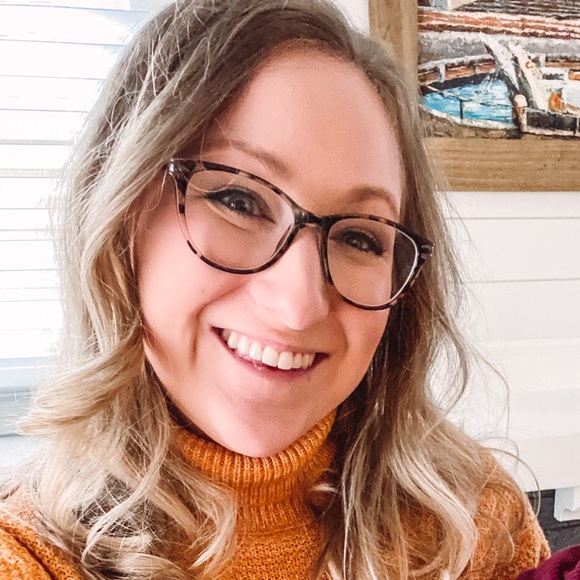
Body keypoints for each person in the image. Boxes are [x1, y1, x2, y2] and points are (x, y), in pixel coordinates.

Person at [0, 0, 549, 578]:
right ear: (120, 216)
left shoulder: (475, 524)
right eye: (239, 201)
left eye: (360, 238)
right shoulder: (29, 557)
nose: (299, 307)